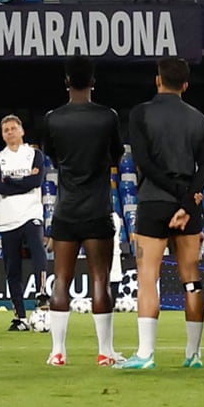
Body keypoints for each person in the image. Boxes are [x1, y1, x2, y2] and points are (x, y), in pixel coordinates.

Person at [115, 58, 204, 371]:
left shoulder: (141, 113)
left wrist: (172, 193)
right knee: (192, 281)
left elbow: (143, 161)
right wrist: (187, 203)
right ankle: (193, 354)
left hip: (153, 201)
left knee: (148, 279)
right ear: (186, 85)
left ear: (158, 80)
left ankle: (146, 354)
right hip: (188, 207)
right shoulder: (199, 119)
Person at [39, 58, 124, 368]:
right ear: (93, 81)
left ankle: (58, 351)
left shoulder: (53, 118)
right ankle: (105, 352)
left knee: (61, 280)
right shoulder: (107, 117)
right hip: (98, 208)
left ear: (65, 80)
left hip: (66, 209)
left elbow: (52, 155)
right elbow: (116, 154)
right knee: (101, 279)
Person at [0, 114, 46, 331]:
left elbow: (36, 181)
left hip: (31, 213)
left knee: (38, 250)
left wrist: (10, 181)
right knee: (12, 268)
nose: (10, 132)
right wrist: (23, 183)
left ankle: (42, 292)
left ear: (22, 131)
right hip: (8, 218)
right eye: (6, 130)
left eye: (13, 128)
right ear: (2, 135)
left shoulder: (34, 154)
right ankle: (20, 316)